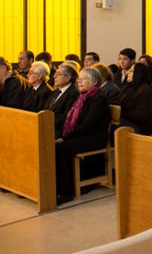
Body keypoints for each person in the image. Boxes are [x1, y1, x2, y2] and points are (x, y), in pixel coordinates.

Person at [54, 67, 110, 206]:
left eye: (83, 78)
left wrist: (65, 138)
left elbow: (88, 125)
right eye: (79, 78)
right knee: (55, 145)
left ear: (95, 81)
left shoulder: (99, 98)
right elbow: (71, 119)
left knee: (60, 149)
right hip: (83, 134)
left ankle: (66, 192)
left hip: (95, 137)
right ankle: (57, 186)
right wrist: (63, 135)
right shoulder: (82, 96)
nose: (79, 81)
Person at [116, 63, 152, 135]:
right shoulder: (129, 87)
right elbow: (120, 101)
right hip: (129, 120)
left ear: (138, 73)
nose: (128, 72)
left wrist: (122, 114)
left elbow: (142, 113)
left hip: (141, 126)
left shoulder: (145, 89)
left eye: (131, 71)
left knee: (118, 122)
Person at [44, 64, 81, 137]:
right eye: (55, 74)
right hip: (48, 125)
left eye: (58, 74)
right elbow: (46, 109)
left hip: (59, 129)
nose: (54, 76)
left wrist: (47, 122)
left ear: (68, 77)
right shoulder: (55, 92)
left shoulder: (74, 93)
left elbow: (66, 116)